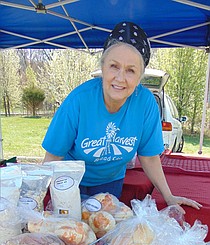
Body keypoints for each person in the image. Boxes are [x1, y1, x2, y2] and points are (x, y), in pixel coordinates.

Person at [42, 21, 202, 213]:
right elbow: (53, 156)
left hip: (111, 183)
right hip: (70, 182)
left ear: (140, 76)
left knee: (104, 232)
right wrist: (40, 197)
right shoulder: (78, 101)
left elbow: (149, 157)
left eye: (130, 70)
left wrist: (169, 197)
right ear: (103, 68)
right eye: (114, 66)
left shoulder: (145, 103)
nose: (120, 77)